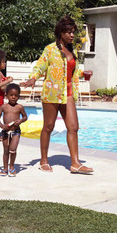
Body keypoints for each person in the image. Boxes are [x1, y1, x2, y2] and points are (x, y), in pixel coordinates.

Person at [22, 15, 93, 174]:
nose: (72, 35)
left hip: (68, 93)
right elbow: (40, 66)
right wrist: (33, 78)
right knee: (48, 127)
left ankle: (75, 163)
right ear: (61, 32)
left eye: (73, 32)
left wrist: (82, 73)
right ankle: (43, 160)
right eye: (69, 32)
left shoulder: (73, 50)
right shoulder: (50, 49)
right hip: (52, 93)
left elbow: (69, 70)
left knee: (73, 127)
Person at [0, 83, 28, 177]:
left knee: (12, 150)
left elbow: (25, 117)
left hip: (16, 131)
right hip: (5, 131)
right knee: (6, 150)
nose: (13, 97)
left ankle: (12, 166)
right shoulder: (4, 107)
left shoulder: (19, 107)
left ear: (18, 96)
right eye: (11, 95)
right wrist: (1, 125)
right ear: (7, 95)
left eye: (16, 95)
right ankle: (5, 168)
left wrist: (20, 121)